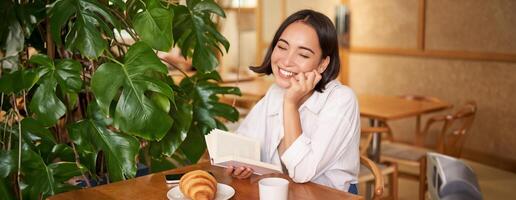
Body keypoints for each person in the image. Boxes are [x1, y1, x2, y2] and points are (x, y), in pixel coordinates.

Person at [226, 9, 360, 193]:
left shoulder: (342, 100)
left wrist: (290, 104)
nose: (287, 61)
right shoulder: (275, 92)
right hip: (283, 193)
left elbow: (302, 172)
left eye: (303, 55)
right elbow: (244, 142)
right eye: (282, 47)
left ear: (322, 64)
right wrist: (242, 164)